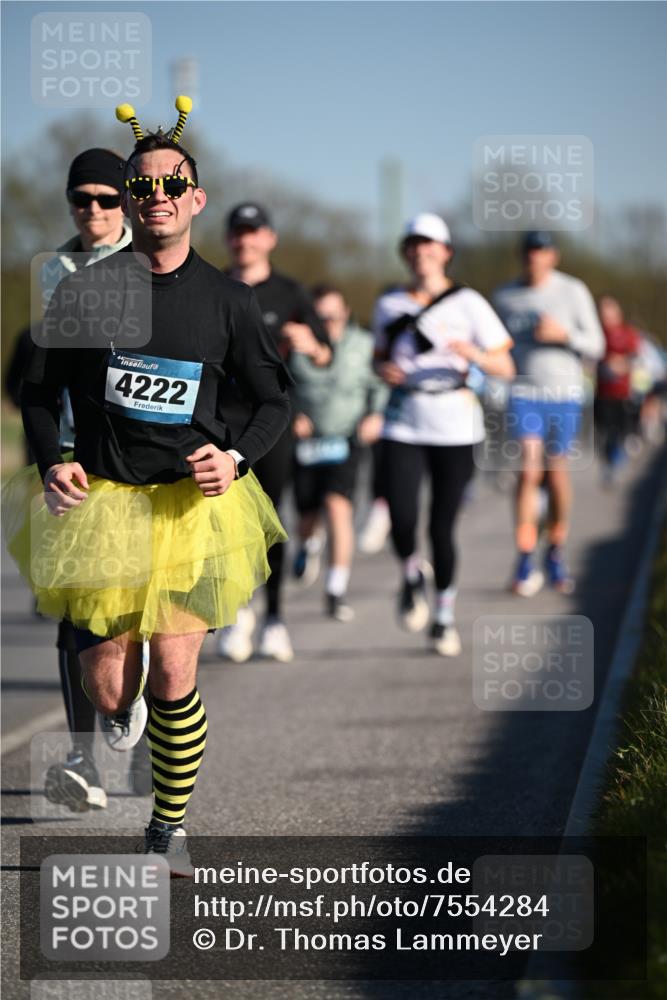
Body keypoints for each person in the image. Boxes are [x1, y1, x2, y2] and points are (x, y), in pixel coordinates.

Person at [4, 99, 290, 872]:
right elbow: (37, 392)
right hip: (105, 502)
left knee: (174, 670)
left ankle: (168, 824)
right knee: (107, 687)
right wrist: (51, 458)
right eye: (142, 186)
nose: (156, 195)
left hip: (192, 510)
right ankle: (117, 707)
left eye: (172, 184)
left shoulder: (228, 301)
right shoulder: (86, 292)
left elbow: (274, 400)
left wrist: (235, 458)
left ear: (196, 198)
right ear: (130, 202)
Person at [374, 213, 514, 656]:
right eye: (414, 244)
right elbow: (378, 358)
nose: (422, 251)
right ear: (405, 252)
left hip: (456, 424)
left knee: (441, 526)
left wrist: (475, 355)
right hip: (404, 420)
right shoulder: (389, 303)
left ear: (446, 252)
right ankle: (412, 573)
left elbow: (506, 366)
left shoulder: (469, 303)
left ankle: (443, 617)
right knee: (401, 518)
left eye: (430, 243)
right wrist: (383, 370)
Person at [217, 202, 331, 662]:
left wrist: (312, 345)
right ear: (228, 239)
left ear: (269, 239)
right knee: (225, 523)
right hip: (219, 420)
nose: (244, 240)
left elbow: (326, 352)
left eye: (253, 231)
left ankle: (275, 619)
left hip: (271, 420)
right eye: (237, 232)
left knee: (269, 520)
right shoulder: (212, 286)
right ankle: (237, 611)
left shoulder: (290, 292)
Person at [492, 231, 605, 596]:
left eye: (541, 251)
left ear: (553, 256)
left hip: (564, 394)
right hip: (524, 392)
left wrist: (564, 335)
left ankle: (555, 549)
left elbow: (597, 345)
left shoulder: (573, 291)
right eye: (529, 251)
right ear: (521, 255)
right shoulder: (505, 296)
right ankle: (525, 555)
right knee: (528, 471)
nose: (534, 258)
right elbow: (495, 347)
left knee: (556, 474)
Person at [291, 283, 389, 620]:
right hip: (307, 441)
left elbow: (379, 384)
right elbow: (280, 384)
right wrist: (293, 414)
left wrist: (375, 415)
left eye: (334, 317)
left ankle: (335, 588)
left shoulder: (364, 345)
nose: (328, 324)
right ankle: (309, 543)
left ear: (346, 313)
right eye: (321, 318)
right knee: (306, 517)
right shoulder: (297, 344)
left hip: (346, 438)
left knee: (338, 507)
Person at [595, 295, 641, 487]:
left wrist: (621, 364)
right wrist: (604, 365)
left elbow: (636, 357)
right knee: (603, 433)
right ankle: (608, 463)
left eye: (610, 310)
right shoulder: (597, 333)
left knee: (620, 432)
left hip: (623, 393)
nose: (606, 315)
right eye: (603, 311)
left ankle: (615, 464)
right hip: (602, 393)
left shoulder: (628, 333)